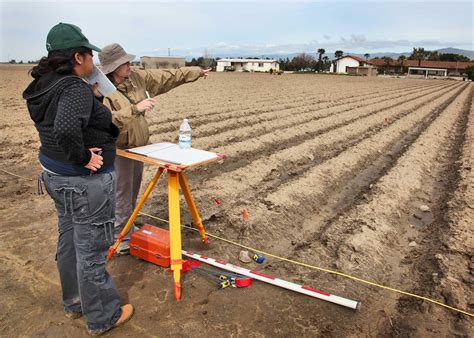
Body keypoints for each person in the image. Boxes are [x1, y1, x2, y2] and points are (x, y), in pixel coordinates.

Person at [23, 23, 133, 336]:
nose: (93, 64)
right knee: (93, 250)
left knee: (70, 240)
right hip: (84, 182)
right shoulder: (73, 87)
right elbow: (66, 129)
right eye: (90, 57)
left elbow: (62, 123)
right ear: (77, 56)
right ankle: (103, 316)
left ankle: (73, 301)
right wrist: (84, 157)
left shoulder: (45, 84)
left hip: (56, 176)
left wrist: (93, 97)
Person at [98, 43, 209, 254]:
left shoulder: (137, 78)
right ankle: (119, 239)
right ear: (113, 68)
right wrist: (135, 108)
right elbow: (106, 121)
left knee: (131, 192)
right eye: (125, 63)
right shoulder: (101, 91)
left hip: (138, 148)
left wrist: (195, 72)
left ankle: (126, 228)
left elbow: (167, 76)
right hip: (118, 150)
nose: (130, 65)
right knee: (121, 193)